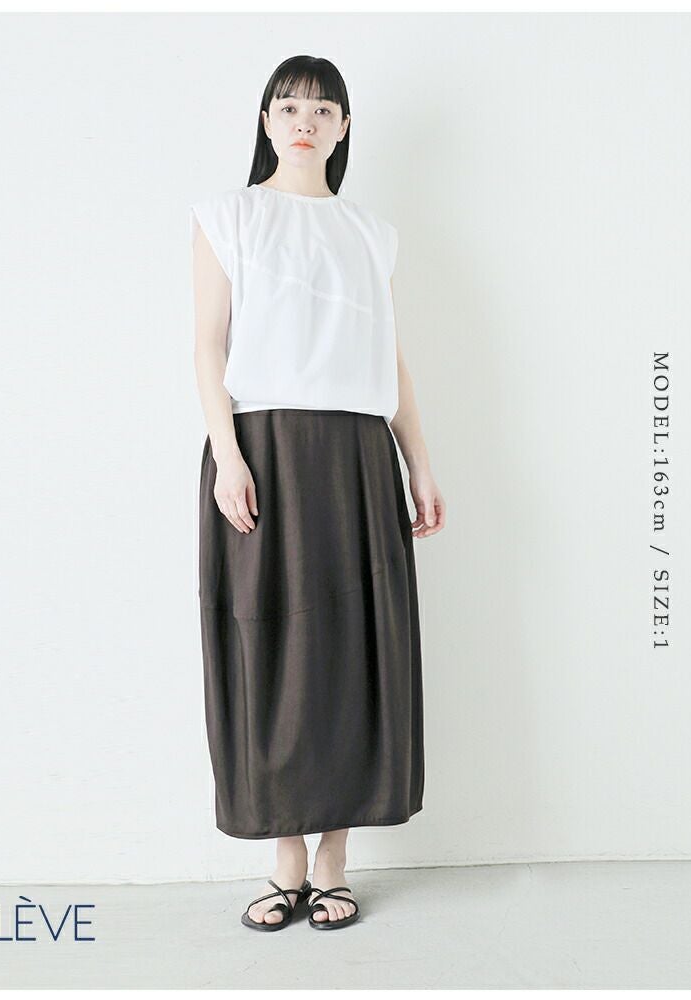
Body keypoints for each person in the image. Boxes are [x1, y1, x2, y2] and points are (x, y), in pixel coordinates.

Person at [191, 55, 445, 931]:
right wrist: (227, 453)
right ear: (266, 120)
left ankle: (334, 861)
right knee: (268, 650)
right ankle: (285, 861)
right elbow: (207, 345)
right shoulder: (229, 216)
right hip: (261, 449)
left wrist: (419, 461)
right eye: (289, 106)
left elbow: (390, 357)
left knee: (350, 651)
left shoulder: (371, 232)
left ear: (343, 128)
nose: (305, 121)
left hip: (356, 454)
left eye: (323, 109)